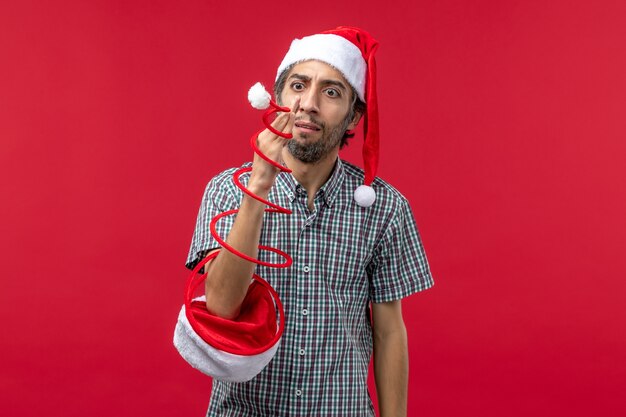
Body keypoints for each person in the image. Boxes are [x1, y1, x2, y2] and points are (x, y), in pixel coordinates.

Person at [175, 26, 434, 417]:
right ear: (277, 98)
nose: (308, 104)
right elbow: (221, 308)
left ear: (353, 117)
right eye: (298, 85)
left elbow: (389, 331)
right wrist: (259, 186)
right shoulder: (227, 191)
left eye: (331, 92)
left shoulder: (385, 208)